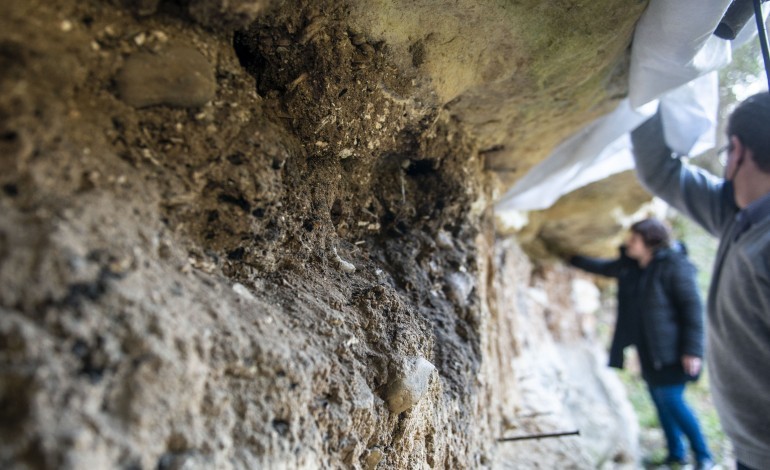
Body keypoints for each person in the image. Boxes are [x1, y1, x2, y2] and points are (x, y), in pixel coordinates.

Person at [630, 91, 770, 470]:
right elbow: (662, 172)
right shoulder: (737, 216)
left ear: (737, 151)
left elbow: (689, 305)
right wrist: (649, 83)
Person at [570, 218, 713, 469]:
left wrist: (692, 350)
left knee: (672, 401)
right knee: (660, 401)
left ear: (650, 242)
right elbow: (605, 268)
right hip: (648, 350)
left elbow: (693, 310)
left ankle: (704, 456)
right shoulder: (635, 267)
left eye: (634, 240)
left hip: (674, 351)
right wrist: (572, 258)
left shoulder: (675, 266)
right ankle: (676, 455)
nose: (628, 244)